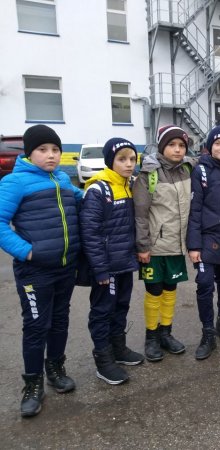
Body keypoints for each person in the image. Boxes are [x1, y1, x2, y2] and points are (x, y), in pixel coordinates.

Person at [0, 125, 81, 417]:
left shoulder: (61, 179)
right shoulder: (15, 182)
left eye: (56, 150)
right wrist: (26, 251)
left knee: (60, 320)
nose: (51, 156)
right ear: (29, 152)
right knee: (36, 327)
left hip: (64, 267)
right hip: (35, 272)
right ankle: (32, 384)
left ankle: (56, 369)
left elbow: (81, 198)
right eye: (43, 150)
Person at [81, 138, 144, 385]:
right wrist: (100, 269)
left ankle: (119, 349)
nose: (129, 164)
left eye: (132, 159)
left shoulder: (129, 186)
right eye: (122, 159)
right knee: (102, 311)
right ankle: (103, 360)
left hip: (124, 263)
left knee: (121, 307)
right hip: (106, 267)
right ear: (110, 161)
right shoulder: (98, 190)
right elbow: (90, 233)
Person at [133, 125, 194, 362]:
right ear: (161, 147)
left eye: (181, 145)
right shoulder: (148, 175)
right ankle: (151, 336)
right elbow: (140, 214)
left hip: (177, 245)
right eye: (171, 145)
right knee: (154, 291)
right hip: (154, 248)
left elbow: (211, 161)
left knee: (171, 290)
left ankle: (166, 333)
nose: (177, 150)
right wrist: (143, 246)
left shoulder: (189, 168)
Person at [187, 125, 220, 360]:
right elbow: (195, 209)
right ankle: (207, 332)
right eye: (218, 143)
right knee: (205, 285)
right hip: (207, 240)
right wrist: (194, 245)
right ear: (210, 147)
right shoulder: (201, 171)